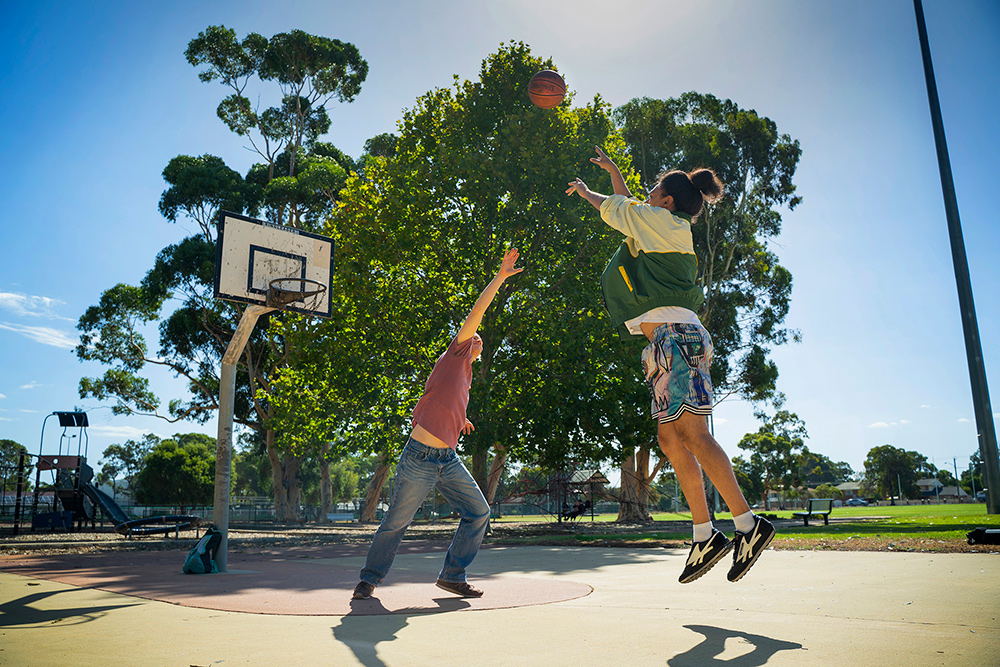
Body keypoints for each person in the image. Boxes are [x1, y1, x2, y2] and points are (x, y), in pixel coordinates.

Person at [566, 147, 774, 584]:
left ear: (669, 201)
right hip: (665, 343)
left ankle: (747, 524)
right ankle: (704, 534)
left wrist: (588, 192)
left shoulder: (661, 222)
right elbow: (632, 209)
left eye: (656, 188)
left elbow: (618, 208)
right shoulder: (661, 223)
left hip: (676, 338)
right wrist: (615, 174)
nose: (649, 192)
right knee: (669, 437)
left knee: (693, 434)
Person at [352, 247, 524, 600]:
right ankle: (369, 580)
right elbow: (477, 312)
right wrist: (500, 276)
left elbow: (445, 400)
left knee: (479, 512)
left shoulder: (465, 374)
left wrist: (461, 419)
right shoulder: (454, 354)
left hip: (447, 459)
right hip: (419, 457)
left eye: (479, 340)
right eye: (472, 335)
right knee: (396, 523)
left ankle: (452, 575)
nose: (476, 338)